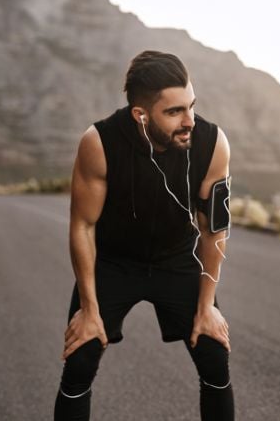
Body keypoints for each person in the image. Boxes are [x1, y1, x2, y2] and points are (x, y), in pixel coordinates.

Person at [53, 50, 234, 420]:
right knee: (81, 358)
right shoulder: (99, 142)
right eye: (174, 112)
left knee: (214, 352)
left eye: (191, 106)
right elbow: (83, 226)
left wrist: (206, 306)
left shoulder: (213, 143)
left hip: (177, 258)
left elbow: (214, 228)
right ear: (141, 114)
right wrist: (89, 309)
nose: (190, 121)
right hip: (115, 261)